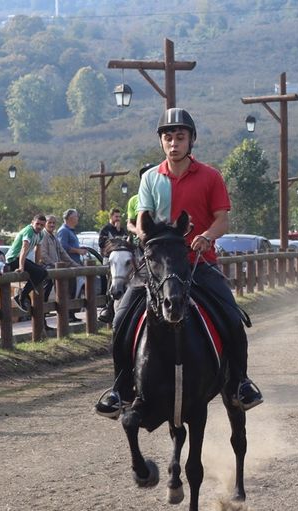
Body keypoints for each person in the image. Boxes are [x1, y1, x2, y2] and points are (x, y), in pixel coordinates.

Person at [95, 107, 263, 420]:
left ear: (191, 140)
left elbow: (222, 220)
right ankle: (121, 387)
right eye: (168, 137)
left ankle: (240, 383)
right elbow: (142, 221)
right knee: (121, 318)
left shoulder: (211, 176)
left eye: (180, 137)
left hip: (199, 262)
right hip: (159, 268)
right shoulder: (150, 178)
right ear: (162, 141)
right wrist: (152, 240)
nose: (174, 143)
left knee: (231, 315)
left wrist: (207, 236)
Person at [5, 214, 49, 313]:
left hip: (21, 259)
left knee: (43, 272)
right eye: (37, 224)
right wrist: (21, 267)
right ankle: (21, 296)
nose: (39, 227)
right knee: (40, 272)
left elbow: (38, 250)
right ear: (32, 222)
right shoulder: (28, 231)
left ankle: (22, 295)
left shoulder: (41, 234)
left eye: (42, 225)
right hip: (13, 259)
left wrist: (37, 265)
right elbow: (24, 249)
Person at [97, 208, 128, 324]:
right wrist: (115, 237)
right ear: (111, 217)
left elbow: (127, 243)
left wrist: (119, 232)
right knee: (111, 281)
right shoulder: (105, 229)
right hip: (110, 259)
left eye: (119, 217)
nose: (118, 219)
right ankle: (108, 308)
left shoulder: (122, 230)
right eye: (116, 217)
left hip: (121, 260)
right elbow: (101, 243)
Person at [57, 209, 85, 321]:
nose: (78, 218)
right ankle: (67, 316)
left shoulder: (71, 231)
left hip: (74, 264)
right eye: (76, 216)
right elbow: (63, 247)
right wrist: (78, 251)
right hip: (68, 265)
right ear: (70, 218)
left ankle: (71, 314)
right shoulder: (63, 231)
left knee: (73, 290)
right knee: (68, 291)